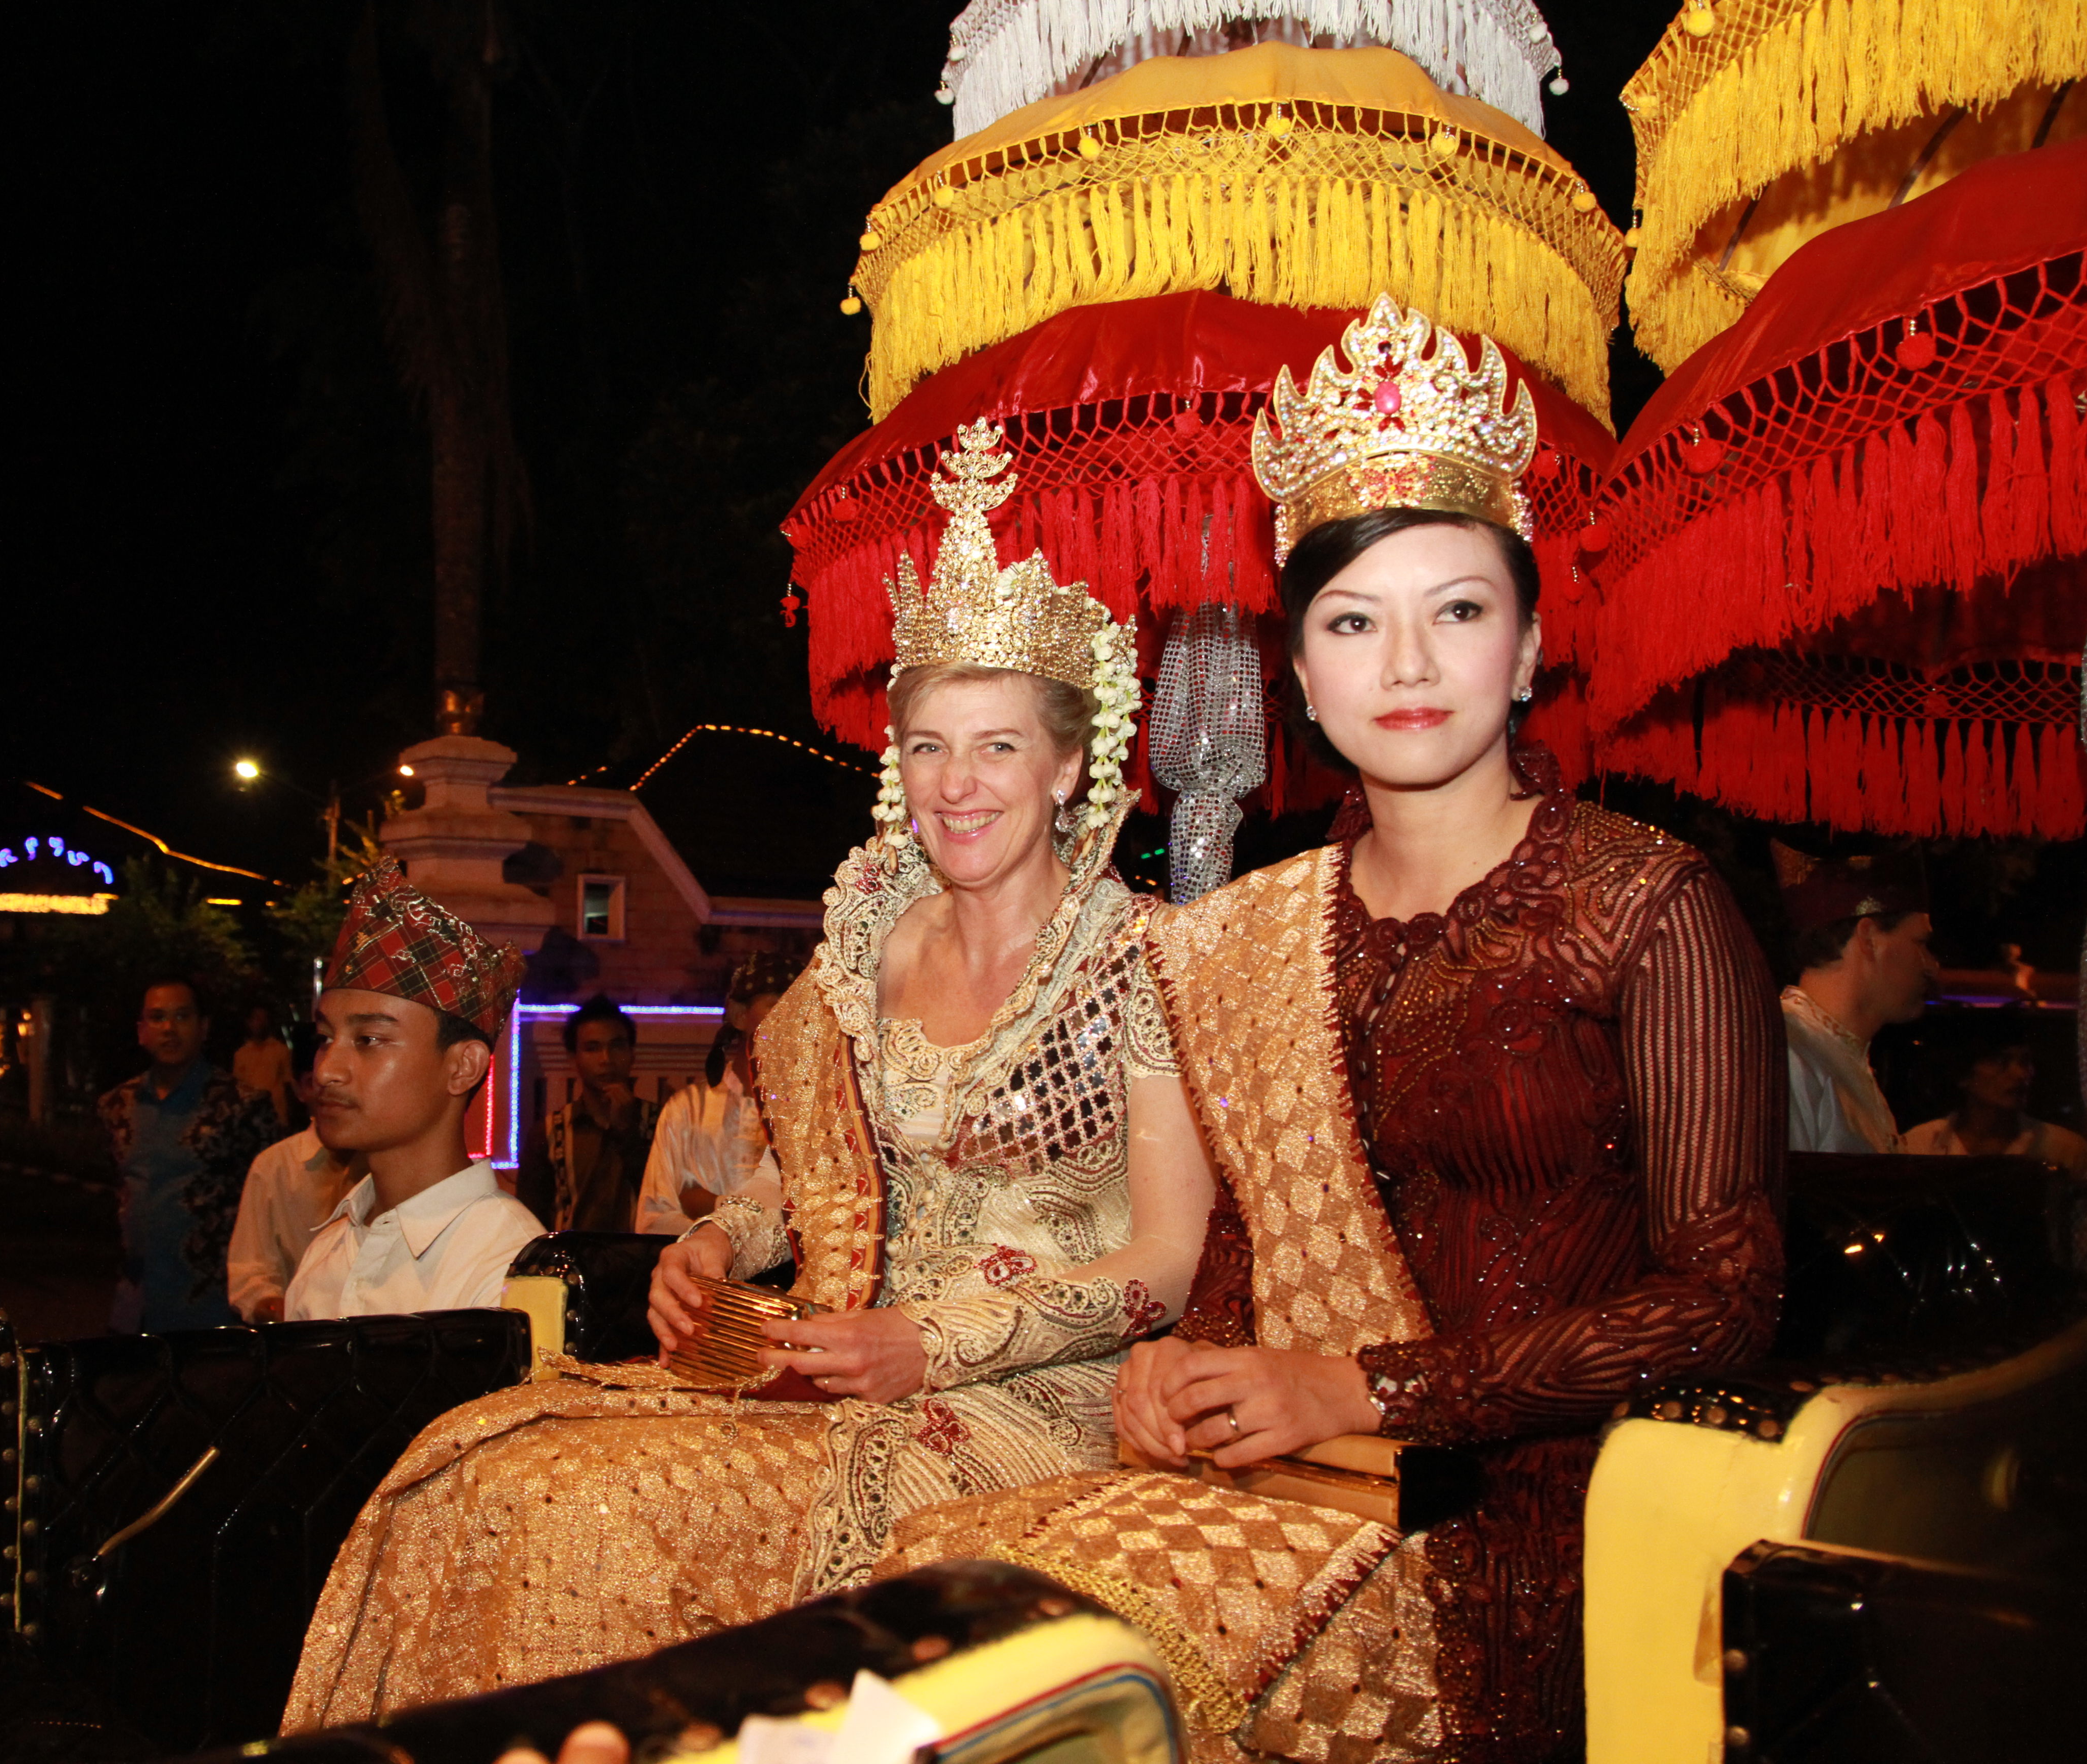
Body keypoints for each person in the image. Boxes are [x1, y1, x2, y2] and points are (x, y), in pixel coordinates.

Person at [862, 302, 1787, 1762]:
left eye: (1460, 610)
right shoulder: (1242, 935)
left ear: (1532, 641)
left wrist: (1363, 1386)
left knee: (1043, 1657)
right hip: (1291, 1482)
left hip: (1546, 1514)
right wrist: (1185, 1372)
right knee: (944, 1604)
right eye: (1355, 623)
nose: (1407, 662)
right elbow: (1227, 1263)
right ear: (1298, 674)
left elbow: (1724, 1302)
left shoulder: (1649, 907)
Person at [284, 420, 1208, 1731]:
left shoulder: (1141, 962)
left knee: (594, 1511)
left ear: (1066, 766)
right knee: (472, 1466)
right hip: (830, 1360)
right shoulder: (869, 942)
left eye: (997, 746)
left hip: (1029, 1397)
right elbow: (821, 1179)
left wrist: (928, 1339)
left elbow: (1165, 1260)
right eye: (929, 746)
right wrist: (721, 1237)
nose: (956, 785)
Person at [279, 860, 543, 1322]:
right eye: (326, 1039)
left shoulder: (505, 1268)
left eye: (369, 1041)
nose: (327, 1072)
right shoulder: (329, 1251)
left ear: (463, 1067)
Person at [96, 978, 280, 1332]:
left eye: (182, 1016)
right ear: (142, 1031)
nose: (169, 1028)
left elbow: (271, 1209)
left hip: (213, 1313)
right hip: (135, 1310)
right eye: (158, 1017)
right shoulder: (117, 1107)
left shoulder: (243, 1108)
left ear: (204, 1027)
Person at [1775, 842, 1935, 1154]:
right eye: (1921, 943)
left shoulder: (1839, 1055)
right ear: (1869, 939)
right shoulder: (1788, 1051)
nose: (1931, 965)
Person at [633, 952, 798, 1235]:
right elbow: (654, 1220)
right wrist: (717, 1236)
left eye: (804, 1010)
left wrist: (713, 1204)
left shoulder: (820, 1112)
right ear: (739, 1015)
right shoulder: (687, 1110)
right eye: (779, 1006)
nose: (795, 1021)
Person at [229, 1026, 367, 1322]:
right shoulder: (275, 1167)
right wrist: (290, 1314)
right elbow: (250, 1272)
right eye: (317, 1081)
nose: (334, 1089)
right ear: (302, 1088)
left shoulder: (385, 1162)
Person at [515, 994, 658, 1233]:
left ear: (632, 1054)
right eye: (593, 1049)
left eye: (617, 1046)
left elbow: (665, 1198)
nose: (606, 1060)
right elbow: (529, 1220)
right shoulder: (550, 1132)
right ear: (574, 1058)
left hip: (643, 1261)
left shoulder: (662, 1122)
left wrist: (627, 1131)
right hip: (571, 1262)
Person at [1902, 1020, 2087, 1175]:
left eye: (2025, 1062)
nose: (2020, 1074)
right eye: (2000, 1061)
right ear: (1963, 1075)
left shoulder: (2065, 1149)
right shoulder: (1919, 1144)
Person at [234, 1003, 299, 1126]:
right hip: (250, 1117)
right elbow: (238, 1086)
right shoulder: (241, 1054)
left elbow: (288, 1083)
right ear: (249, 1022)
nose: (260, 1023)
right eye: (257, 1018)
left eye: (264, 1019)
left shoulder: (281, 1050)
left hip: (277, 1116)